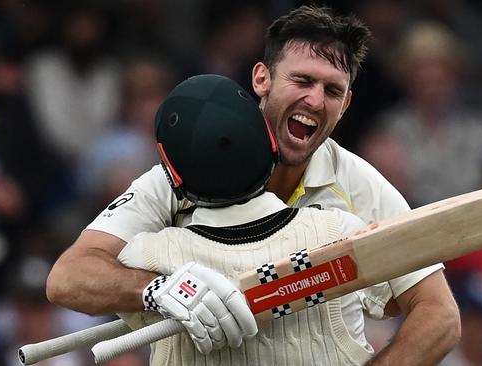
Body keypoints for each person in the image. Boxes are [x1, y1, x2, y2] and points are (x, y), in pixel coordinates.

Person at [47, 6, 460, 365]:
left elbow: (438, 315)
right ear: (262, 79)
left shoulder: (361, 184)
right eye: (302, 81)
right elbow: (68, 278)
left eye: (332, 90)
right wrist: (156, 288)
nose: (315, 101)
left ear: (347, 104)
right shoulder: (186, 170)